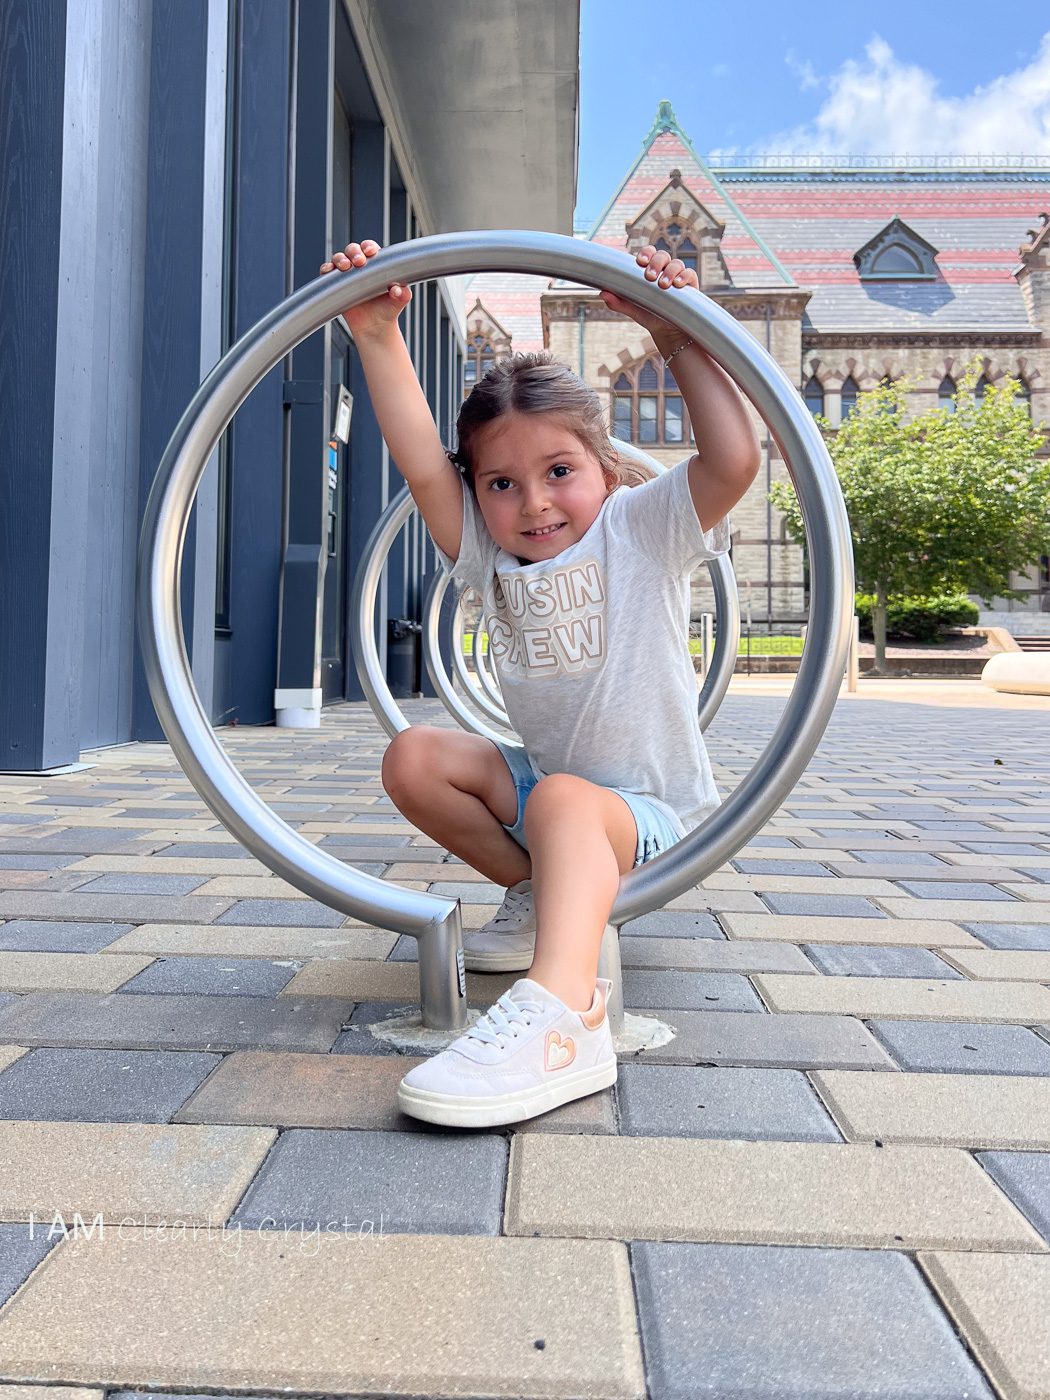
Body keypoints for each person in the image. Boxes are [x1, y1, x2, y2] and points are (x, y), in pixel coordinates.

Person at [319, 238, 760, 1128]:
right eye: (501, 483)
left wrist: (674, 334)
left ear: (604, 465)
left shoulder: (642, 529)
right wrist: (374, 334)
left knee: (563, 797)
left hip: (646, 814)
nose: (535, 505)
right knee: (415, 757)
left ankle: (566, 1017)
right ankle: (541, 897)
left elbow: (735, 460)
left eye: (559, 472)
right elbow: (417, 461)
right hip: (550, 797)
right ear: (476, 490)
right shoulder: (487, 552)